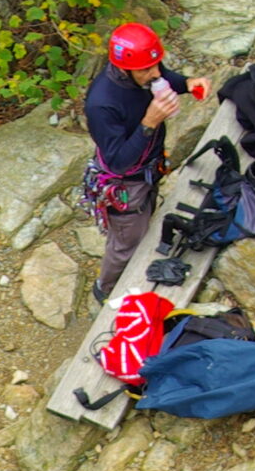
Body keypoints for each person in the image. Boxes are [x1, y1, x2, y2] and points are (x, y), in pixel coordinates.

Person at [81, 22, 212, 303]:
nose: (155, 74)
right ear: (124, 68)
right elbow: (117, 162)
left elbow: (161, 77)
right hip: (125, 183)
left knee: (144, 218)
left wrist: (186, 84)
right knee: (126, 243)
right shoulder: (102, 104)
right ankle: (106, 289)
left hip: (148, 169)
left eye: (156, 65)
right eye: (146, 70)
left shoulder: (143, 70)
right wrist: (149, 122)